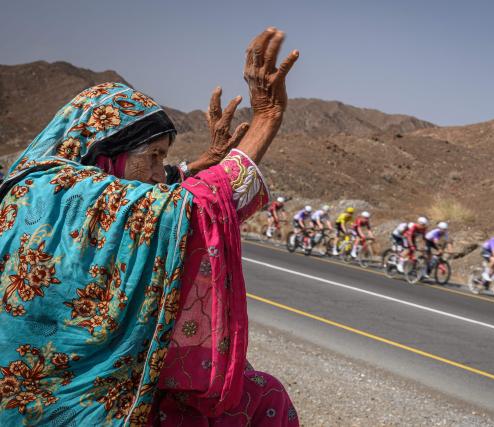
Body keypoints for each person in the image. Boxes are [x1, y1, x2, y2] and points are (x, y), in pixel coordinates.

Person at [0, 28, 299, 426]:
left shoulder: (37, 185)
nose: (161, 175)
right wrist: (266, 119)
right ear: (106, 154)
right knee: (261, 397)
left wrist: (199, 163)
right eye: (154, 156)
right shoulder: (83, 197)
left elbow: (149, 190)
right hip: (77, 408)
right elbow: (193, 211)